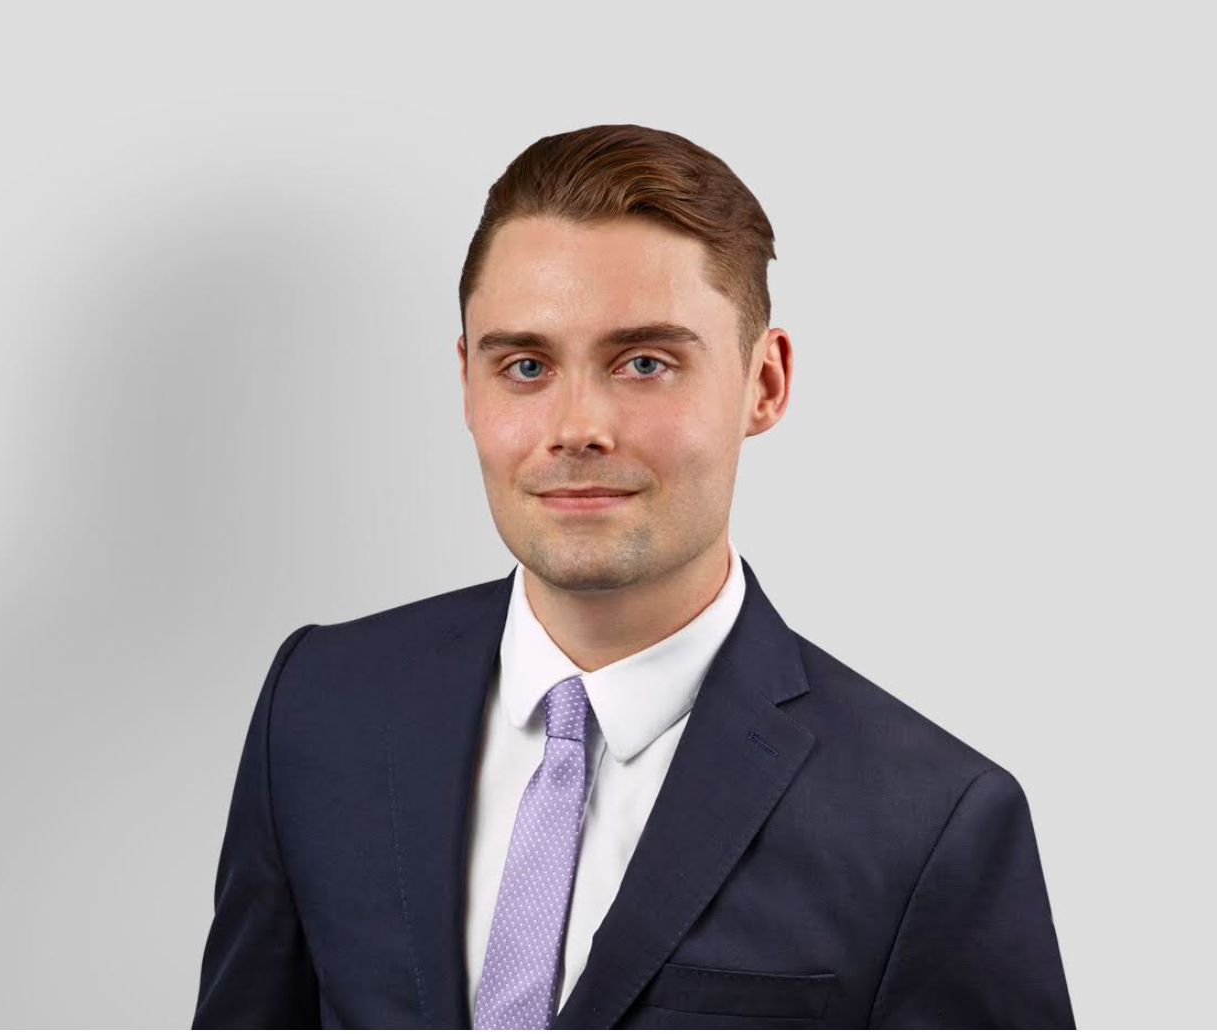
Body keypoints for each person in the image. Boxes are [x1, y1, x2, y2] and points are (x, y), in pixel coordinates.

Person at [191, 124, 1075, 1029]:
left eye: (645, 363)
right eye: (524, 366)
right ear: (467, 383)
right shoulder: (319, 706)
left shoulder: (931, 823)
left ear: (764, 383)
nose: (576, 427)